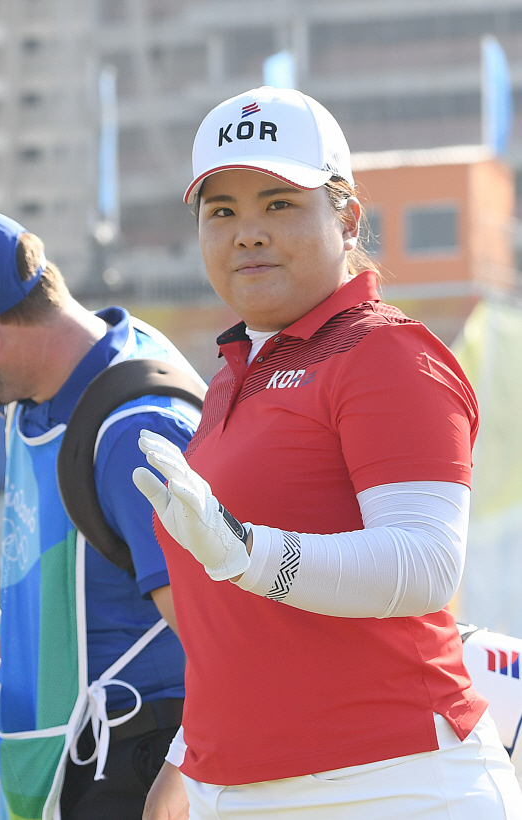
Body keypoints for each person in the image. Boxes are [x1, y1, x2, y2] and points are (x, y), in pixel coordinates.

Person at [133, 86, 522, 820]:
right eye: (223, 212)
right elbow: (241, 629)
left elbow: (425, 566)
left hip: (392, 783)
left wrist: (247, 552)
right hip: (235, 789)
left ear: (346, 218)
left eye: (279, 203)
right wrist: (187, 761)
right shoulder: (233, 375)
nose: (248, 232)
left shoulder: (385, 352)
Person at [0, 207, 206, 820]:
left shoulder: (136, 431)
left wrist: (183, 775)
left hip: (137, 765)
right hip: (69, 757)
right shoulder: (36, 392)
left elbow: (223, 636)